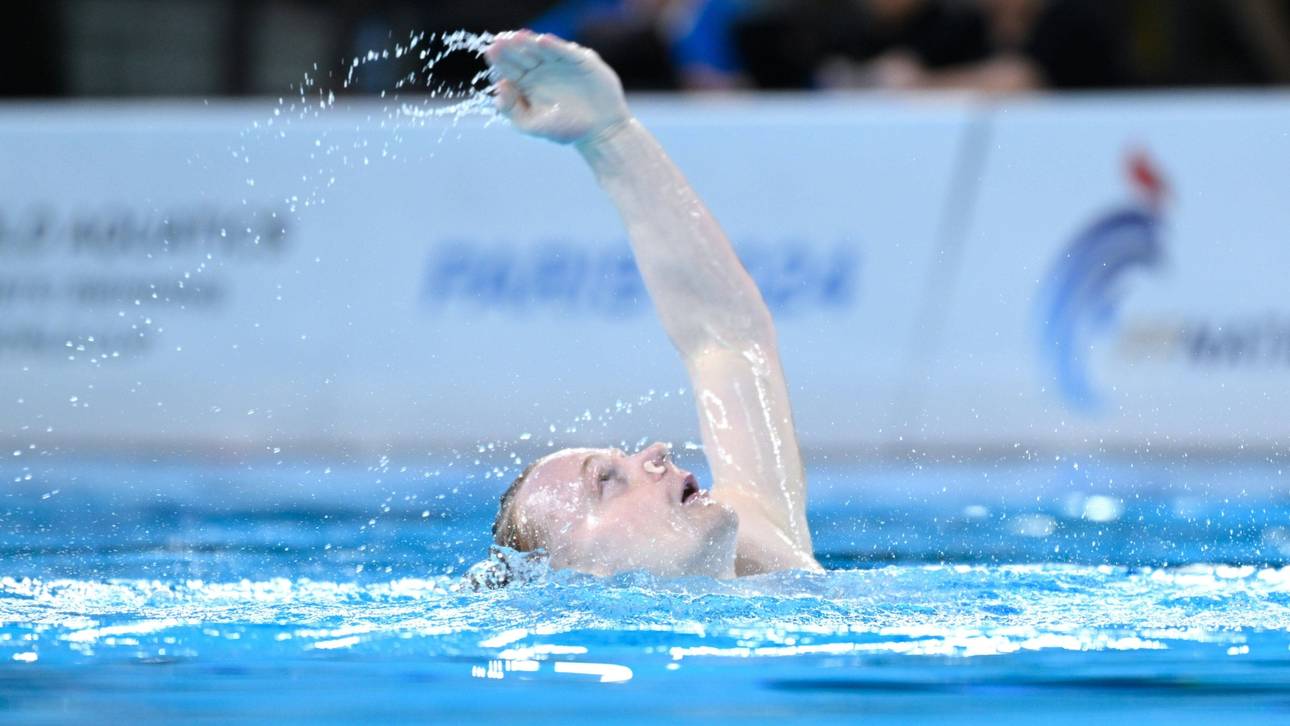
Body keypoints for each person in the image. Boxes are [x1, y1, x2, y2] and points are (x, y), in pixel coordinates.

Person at [484, 30, 821, 578]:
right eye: (607, 481)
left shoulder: (769, 557)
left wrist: (610, 136)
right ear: (577, 573)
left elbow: (726, 339)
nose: (657, 452)